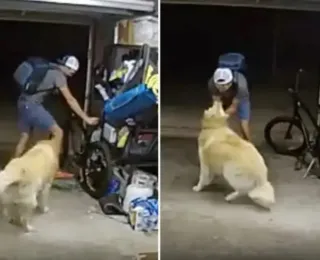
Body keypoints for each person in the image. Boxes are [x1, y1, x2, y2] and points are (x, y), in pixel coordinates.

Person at [14, 55, 99, 158]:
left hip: (22, 102)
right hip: (32, 106)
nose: (72, 75)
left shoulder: (50, 67)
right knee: (58, 132)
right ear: (67, 68)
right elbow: (70, 99)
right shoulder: (59, 76)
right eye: (72, 72)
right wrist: (86, 118)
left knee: (24, 137)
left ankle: (10, 168)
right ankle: (54, 166)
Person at [208, 67, 251, 141]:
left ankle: (249, 145)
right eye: (220, 85)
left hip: (240, 97)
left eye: (224, 85)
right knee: (220, 123)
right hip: (222, 97)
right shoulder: (212, 84)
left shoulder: (241, 86)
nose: (222, 87)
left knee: (244, 124)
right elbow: (216, 104)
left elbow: (234, 108)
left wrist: (221, 116)